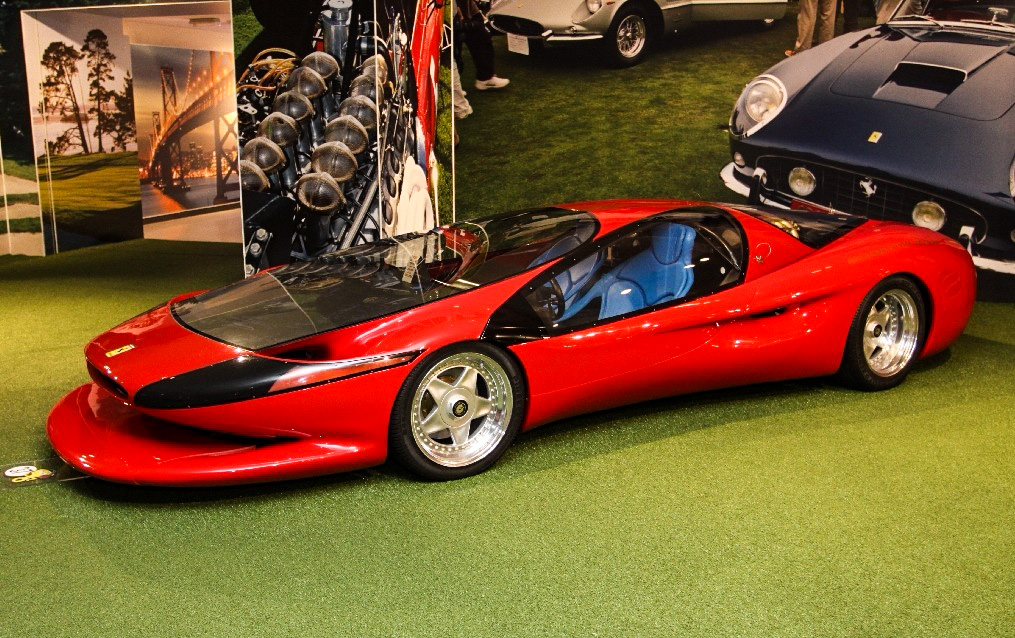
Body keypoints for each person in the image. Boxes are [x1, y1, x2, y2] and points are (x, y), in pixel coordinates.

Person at [456, 0, 509, 90]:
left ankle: (485, 78)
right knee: (454, 51)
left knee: (484, 39)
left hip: (469, 8)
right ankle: (455, 89)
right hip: (452, 11)